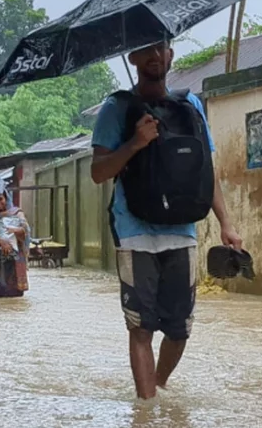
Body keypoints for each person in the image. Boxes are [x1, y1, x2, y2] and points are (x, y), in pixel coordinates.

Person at [90, 40, 242, 400]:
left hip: (183, 231)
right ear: (133, 58)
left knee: (180, 329)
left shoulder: (191, 106)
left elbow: (208, 170)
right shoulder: (116, 108)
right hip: (134, 232)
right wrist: (135, 144)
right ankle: (146, 413)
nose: (155, 55)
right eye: (146, 49)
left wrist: (226, 223)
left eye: (161, 47)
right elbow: (98, 173)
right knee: (141, 328)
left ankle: (156, 387)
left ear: (171, 54)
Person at [0, 193, 30, 297]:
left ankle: (11, 312)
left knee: (13, 290)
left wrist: (15, 230)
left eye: (0, 199)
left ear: (6, 199)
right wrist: (1, 242)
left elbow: (24, 229)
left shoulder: (16, 213)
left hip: (14, 257)